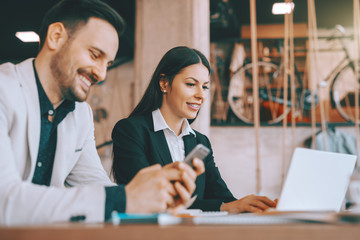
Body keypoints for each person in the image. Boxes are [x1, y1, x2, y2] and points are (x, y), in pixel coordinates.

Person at [0, 0, 204, 226]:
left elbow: (97, 187)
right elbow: (5, 200)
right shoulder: (3, 90)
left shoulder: (80, 114)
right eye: (95, 55)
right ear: (56, 36)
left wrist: (156, 198)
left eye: (108, 63)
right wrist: (126, 198)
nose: (101, 74)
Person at [112, 46, 277, 213]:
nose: (201, 95)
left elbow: (221, 197)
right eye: (191, 84)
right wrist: (224, 206)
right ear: (164, 83)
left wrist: (250, 206)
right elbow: (147, 198)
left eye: (205, 87)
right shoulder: (130, 131)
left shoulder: (200, 141)